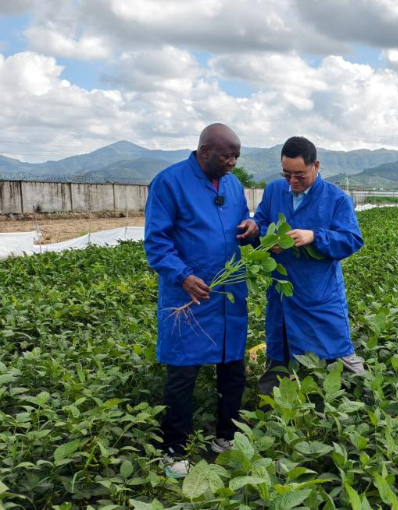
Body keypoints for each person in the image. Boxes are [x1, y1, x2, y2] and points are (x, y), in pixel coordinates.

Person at [144, 123, 259, 478]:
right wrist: (183, 276)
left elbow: (240, 223)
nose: (233, 163)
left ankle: (226, 437)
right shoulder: (169, 182)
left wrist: (251, 228)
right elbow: (157, 242)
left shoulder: (233, 184)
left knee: (232, 369)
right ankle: (174, 449)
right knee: (183, 373)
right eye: (228, 156)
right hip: (189, 296)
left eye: (237, 157)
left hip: (227, 294)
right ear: (205, 151)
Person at [254, 136, 364, 396]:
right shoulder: (273, 191)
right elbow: (260, 223)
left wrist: (314, 236)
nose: (292, 181)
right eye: (287, 175)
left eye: (299, 175)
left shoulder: (336, 199)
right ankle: (274, 408)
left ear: (316, 166)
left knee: (336, 353)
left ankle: (358, 401)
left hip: (319, 292)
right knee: (279, 354)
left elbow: (351, 239)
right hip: (282, 291)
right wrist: (267, 238)